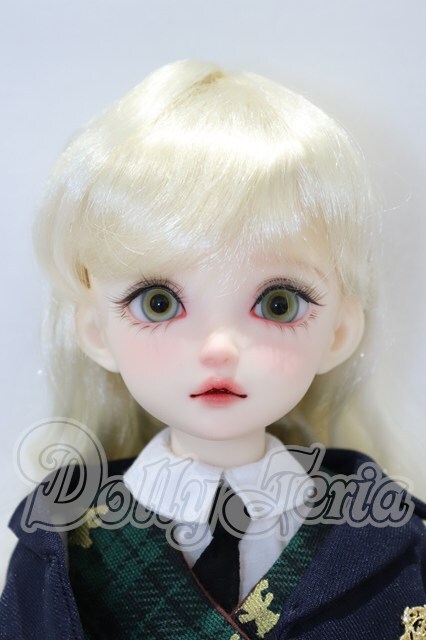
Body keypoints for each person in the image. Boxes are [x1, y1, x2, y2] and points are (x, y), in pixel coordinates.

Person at [1, 60, 425, 640]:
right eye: (158, 303)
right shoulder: (62, 549)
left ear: (339, 332)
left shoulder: (386, 543)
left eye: (278, 303)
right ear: (97, 331)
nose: (219, 348)